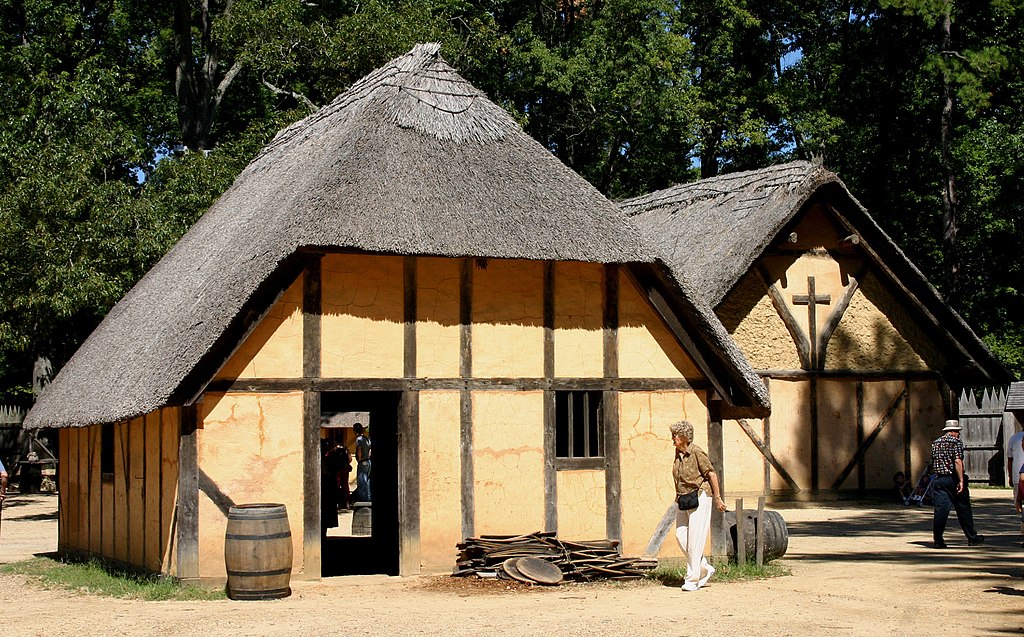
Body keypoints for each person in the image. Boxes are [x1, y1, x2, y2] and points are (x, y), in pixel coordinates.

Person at [670, 420, 726, 591]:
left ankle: (692, 580)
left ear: (684, 437)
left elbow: (712, 474)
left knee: (695, 539)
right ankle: (704, 567)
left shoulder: (696, 452)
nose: (673, 438)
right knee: (681, 536)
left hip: (700, 496)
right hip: (683, 497)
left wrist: (717, 498)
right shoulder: (678, 452)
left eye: (675, 435)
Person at [930, 419, 984, 548]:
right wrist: (961, 480)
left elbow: (933, 461)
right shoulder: (956, 442)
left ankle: (938, 539)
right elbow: (958, 461)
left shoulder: (935, 443)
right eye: (957, 431)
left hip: (939, 479)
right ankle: (971, 537)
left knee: (941, 511)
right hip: (952, 478)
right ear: (953, 432)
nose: (958, 434)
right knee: (963, 508)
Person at [354, 423, 372, 503]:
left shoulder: (359, 439)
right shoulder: (367, 438)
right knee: (367, 480)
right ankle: (368, 496)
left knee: (362, 480)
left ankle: (364, 498)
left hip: (363, 462)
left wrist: (360, 460)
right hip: (368, 461)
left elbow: (359, 450)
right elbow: (370, 450)